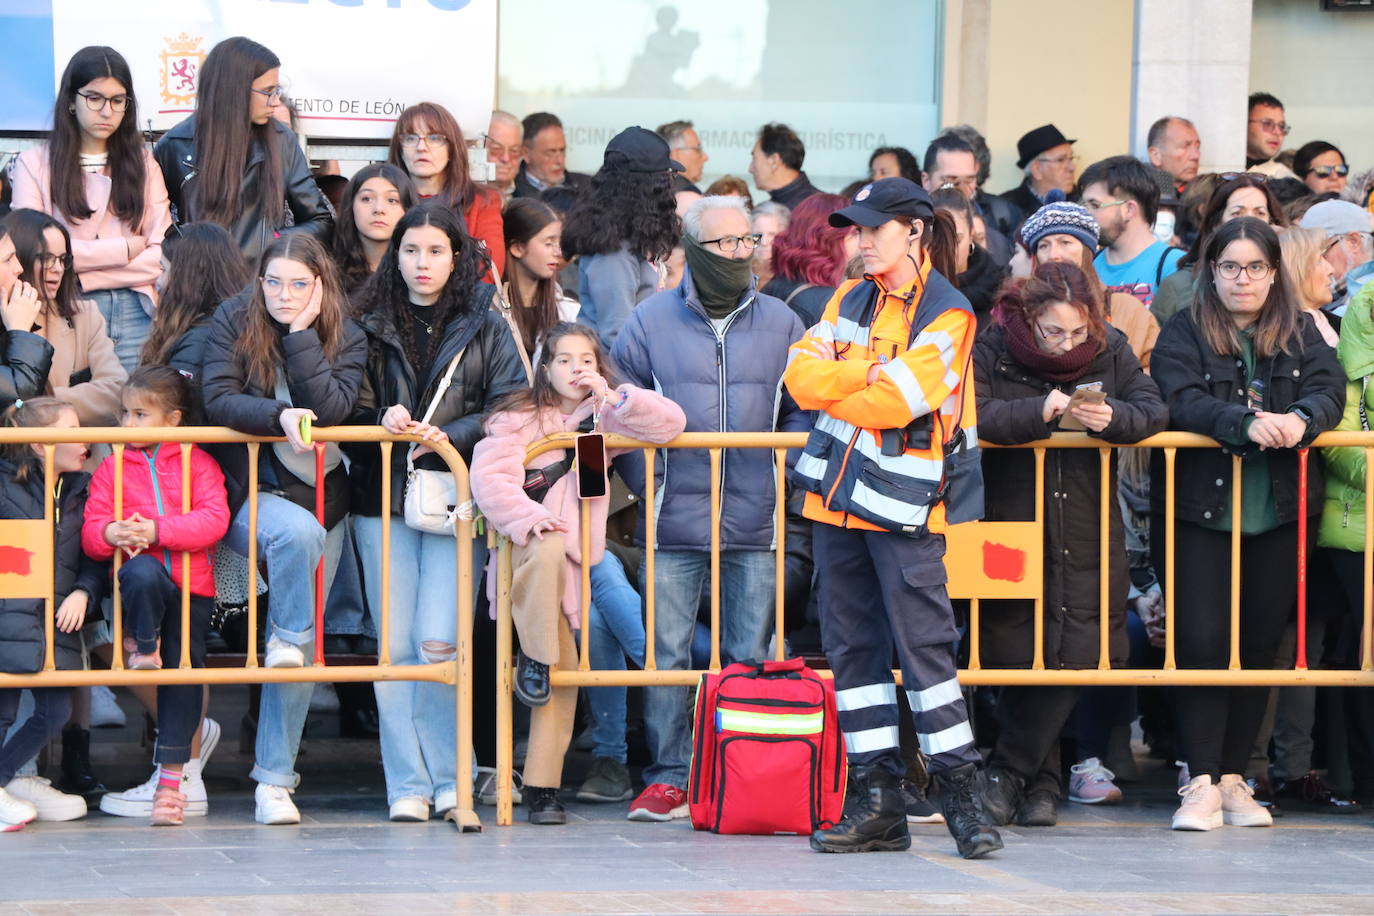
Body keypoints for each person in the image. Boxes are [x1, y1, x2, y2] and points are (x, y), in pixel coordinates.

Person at [783, 177, 1001, 859]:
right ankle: (876, 800)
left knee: (925, 650)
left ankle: (962, 798)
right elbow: (800, 377)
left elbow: (898, 400)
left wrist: (851, 379)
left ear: (915, 231)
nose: (862, 238)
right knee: (851, 653)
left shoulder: (950, 311)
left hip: (904, 508)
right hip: (835, 502)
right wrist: (869, 375)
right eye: (857, 228)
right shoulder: (850, 296)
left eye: (876, 227)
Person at [611, 194, 808, 823]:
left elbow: (805, 410)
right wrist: (651, 485)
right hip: (674, 518)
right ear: (694, 249)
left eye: (746, 241)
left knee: (749, 654)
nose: (738, 253)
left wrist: (787, 477)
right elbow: (619, 414)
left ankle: (742, 769)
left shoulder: (783, 323)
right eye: (724, 243)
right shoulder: (647, 321)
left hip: (756, 516)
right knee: (666, 652)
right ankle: (669, 775)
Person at [1150, 217, 1344, 831]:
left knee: (1260, 644)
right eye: (1231, 267)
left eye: (1256, 267)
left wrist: (1303, 417)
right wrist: (1244, 422)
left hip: (1280, 509)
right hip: (1198, 511)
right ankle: (1200, 777)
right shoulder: (1185, 328)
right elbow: (1176, 396)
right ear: (1212, 271)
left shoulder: (1301, 330)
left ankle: (1236, 777)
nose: (1244, 279)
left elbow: (1329, 389)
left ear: (1273, 272)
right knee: (1201, 641)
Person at [973, 261, 1167, 828]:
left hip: (1086, 522)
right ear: (1028, 318)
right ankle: (1044, 781)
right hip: (1010, 519)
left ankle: (1009, 773)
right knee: (1014, 649)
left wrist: (1114, 417)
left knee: (1078, 651)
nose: (1066, 343)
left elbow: (1153, 409)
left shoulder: (1111, 347)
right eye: (1053, 332)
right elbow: (974, 414)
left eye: (1078, 332)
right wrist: (1040, 411)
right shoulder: (994, 346)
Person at [349, 202, 525, 821]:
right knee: (394, 649)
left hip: (456, 497)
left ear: (458, 257)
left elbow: (510, 408)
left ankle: (452, 777)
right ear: (394, 257)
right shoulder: (364, 319)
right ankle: (407, 785)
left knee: (440, 644)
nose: (422, 264)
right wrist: (382, 419)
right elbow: (347, 406)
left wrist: (449, 433)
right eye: (410, 251)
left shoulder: (487, 322)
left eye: (435, 251)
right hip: (380, 497)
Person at [471, 323, 684, 824]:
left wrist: (617, 396)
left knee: (560, 682)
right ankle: (537, 660)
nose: (575, 369)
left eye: (585, 359)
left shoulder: (602, 419)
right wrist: (531, 519)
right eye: (563, 360)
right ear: (545, 368)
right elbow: (489, 479)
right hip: (524, 554)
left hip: (571, 567)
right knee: (545, 549)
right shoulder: (517, 417)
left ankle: (542, 788)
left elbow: (669, 423)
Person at [201, 233, 366, 826]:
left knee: (297, 654)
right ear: (258, 280)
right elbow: (216, 398)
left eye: (300, 283)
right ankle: (288, 642)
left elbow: (335, 407)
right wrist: (277, 416)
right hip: (248, 495)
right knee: (293, 623)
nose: (284, 294)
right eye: (274, 282)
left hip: (327, 500)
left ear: (320, 285)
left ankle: (274, 780)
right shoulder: (233, 317)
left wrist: (300, 337)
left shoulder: (346, 331)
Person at [82, 367, 229, 826]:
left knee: (184, 676)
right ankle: (144, 648)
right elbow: (91, 532)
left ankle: (171, 786)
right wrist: (111, 531)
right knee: (141, 570)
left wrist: (157, 530)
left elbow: (214, 521)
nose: (127, 424)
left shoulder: (199, 462)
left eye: (140, 414)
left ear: (173, 420)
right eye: (124, 413)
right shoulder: (111, 466)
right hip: (144, 585)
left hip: (193, 587)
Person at [9, 46, 171, 374]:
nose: (107, 111)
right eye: (94, 98)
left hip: (137, 308)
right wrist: (125, 248)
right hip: (62, 306)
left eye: (117, 100)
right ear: (71, 100)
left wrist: (79, 265)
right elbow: (31, 250)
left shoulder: (144, 164)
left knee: (136, 412)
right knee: (68, 411)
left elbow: (162, 253)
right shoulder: (33, 164)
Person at [0, 397, 101, 830]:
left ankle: (3, 781)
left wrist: (84, 592)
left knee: (55, 712)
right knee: (2, 712)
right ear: (41, 445)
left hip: (56, 621)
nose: (84, 441)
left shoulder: (84, 487)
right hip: (10, 619)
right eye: (73, 430)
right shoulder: (6, 484)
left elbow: (94, 556)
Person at [153, 36, 333, 263]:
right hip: (198, 287)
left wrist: (272, 240)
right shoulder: (174, 145)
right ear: (233, 90)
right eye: (268, 91)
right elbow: (152, 227)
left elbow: (320, 221)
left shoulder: (281, 140)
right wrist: (189, 249)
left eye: (276, 90)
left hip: (260, 286)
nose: (275, 101)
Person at [561, 127, 681, 349]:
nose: (672, 188)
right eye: (668, 178)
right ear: (648, 189)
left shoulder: (630, 244)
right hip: (617, 378)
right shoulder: (614, 256)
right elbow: (618, 337)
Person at [2, 208, 125, 425]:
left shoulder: (85, 315)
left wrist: (43, 403)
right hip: (18, 456)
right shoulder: (6, 321)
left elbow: (116, 390)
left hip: (78, 454)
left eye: (62, 259)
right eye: (47, 258)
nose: (58, 268)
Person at [1020, 200, 1161, 367]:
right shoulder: (1019, 311)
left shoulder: (1128, 310)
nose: (1053, 255)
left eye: (1065, 242)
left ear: (1087, 251)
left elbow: (1153, 373)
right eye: (1043, 246)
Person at [139, 223, 250, 417]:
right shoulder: (230, 322)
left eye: (164, 269)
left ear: (187, 278)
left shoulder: (200, 338)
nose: (158, 281)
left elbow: (185, 415)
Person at [1152, 173, 1288, 325]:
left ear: (1272, 224)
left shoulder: (1291, 282)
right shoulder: (1178, 287)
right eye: (1237, 213)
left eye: (1260, 213)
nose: (1248, 222)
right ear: (1216, 224)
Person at [388, 102, 504, 279]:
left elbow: (488, 273)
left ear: (451, 148)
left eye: (434, 138)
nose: (421, 147)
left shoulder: (482, 201)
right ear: (400, 149)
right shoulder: (385, 202)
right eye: (411, 138)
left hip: (465, 303)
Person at [1079, 156, 1184, 308]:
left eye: (1094, 205)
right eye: (1084, 205)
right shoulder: (1088, 265)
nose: (1085, 214)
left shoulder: (1174, 265)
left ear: (1129, 209)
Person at [760, 192, 857, 327]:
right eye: (854, 233)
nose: (863, 242)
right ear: (830, 238)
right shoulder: (826, 301)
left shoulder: (777, 284)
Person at [501, 197, 578, 359]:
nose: (558, 252)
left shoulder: (568, 311)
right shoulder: (488, 311)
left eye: (559, 243)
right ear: (517, 248)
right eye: (549, 243)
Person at [332, 163, 416, 296]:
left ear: (408, 209)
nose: (378, 209)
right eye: (367, 199)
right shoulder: (327, 274)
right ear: (351, 206)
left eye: (392, 200)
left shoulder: (420, 273)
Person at [930, 187, 1005, 323]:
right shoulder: (911, 288)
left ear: (971, 235)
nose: (949, 248)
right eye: (939, 239)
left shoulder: (999, 287)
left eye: (957, 239)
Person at [0, 219, 49, 411]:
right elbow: (19, 403)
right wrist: (19, 332)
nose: (19, 267)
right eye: (7, 259)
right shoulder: (15, 324)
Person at [998, 124, 1077, 228]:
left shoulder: (1085, 201)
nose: (1072, 168)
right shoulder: (1004, 207)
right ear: (1036, 170)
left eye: (1071, 159)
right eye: (1061, 160)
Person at [1281, 226, 1340, 346]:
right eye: (1319, 260)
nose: (1331, 269)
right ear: (1295, 271)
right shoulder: (1285, 339)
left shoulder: (1329, 323)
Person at [514, 112, 590, 199]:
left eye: (562, 150)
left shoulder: (588, 188)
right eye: (550, 153)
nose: (559, 160)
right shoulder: (511, 192)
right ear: (526, 154)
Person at [748, 123, 820, 210]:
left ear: (774, 161)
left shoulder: (818, 210)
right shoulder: (766, 210)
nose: (750, 169)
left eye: (754, 159)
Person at [1146, 117, 1202, 196]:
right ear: (1155, 156)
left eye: (1197, 147)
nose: (1196, 156)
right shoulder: (1140, 198)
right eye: (1184, 146)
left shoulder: (1204, 197)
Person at [1246, 92, 1295, 176]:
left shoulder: (1286, 180)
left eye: (1281, 126)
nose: (1277, 132)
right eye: (1267, 123)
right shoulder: (1220, 168)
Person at [657, 120, 708, 193]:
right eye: (698, 149)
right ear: (675, 155)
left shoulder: (648, 188)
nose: (705, 157)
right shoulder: (688, 195)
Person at [484, 110, 524, 201]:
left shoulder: (532, 199)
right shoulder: (460, 200)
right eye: (496, 149)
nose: (506, 158)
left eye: (514, 151)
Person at [750, 201, 789, 290]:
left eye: (772, 234)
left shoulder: (790, 273)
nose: (764, 242)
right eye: (758, 234)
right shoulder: (741, 269)